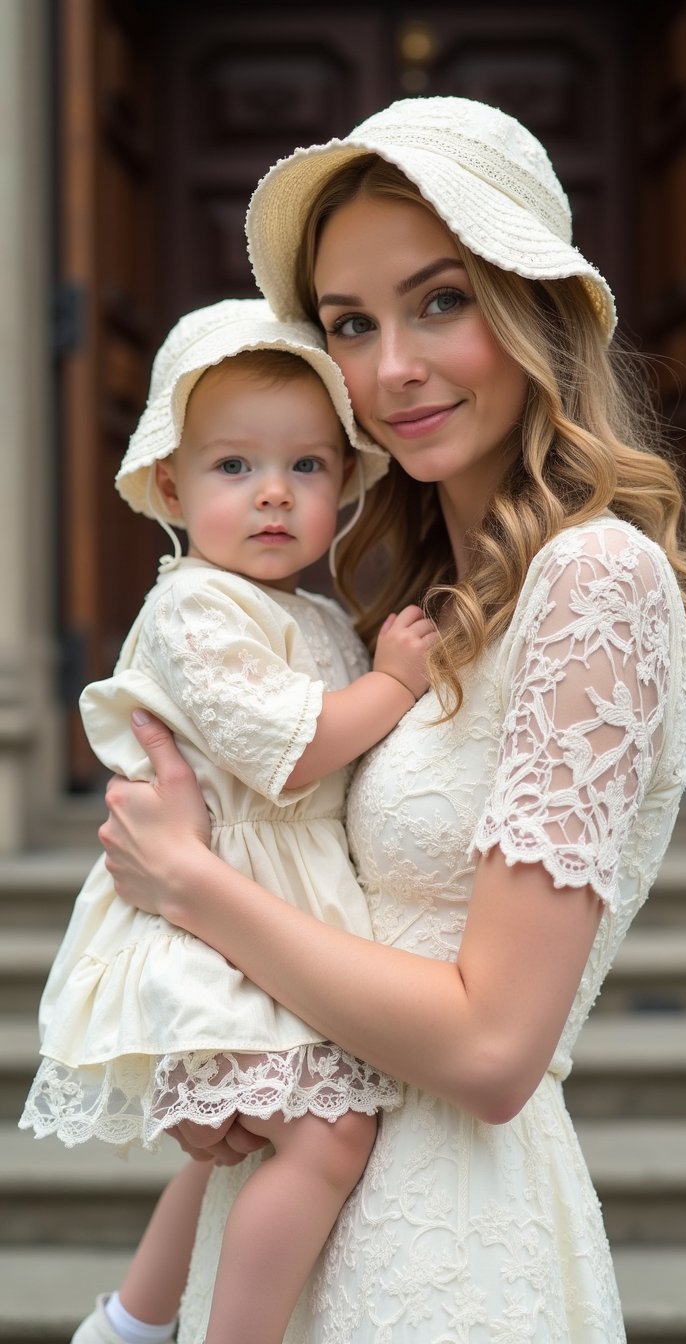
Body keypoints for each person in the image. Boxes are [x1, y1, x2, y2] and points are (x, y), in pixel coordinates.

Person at [98, 97, 686, 1344]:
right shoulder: (396, 606)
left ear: (532, 307)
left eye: (440, 301)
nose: (391, 365)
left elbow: (495, 1048)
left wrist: (188, 884)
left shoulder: (593, 580)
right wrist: (218, 1055)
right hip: (295, 1199)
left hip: (442, 1246)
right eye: (350, 323)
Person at [20, 297, 440, 1344]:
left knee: (264, 1145)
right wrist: (393, 686)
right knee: (327, 1136)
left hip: (283, 911)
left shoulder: (312, 615)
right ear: (170, 484)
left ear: (344, 483)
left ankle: (129, 1323)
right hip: (220, 927)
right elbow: (293, 751)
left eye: (305, 467)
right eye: (233, 468)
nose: (271, 496)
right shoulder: (193, 607)